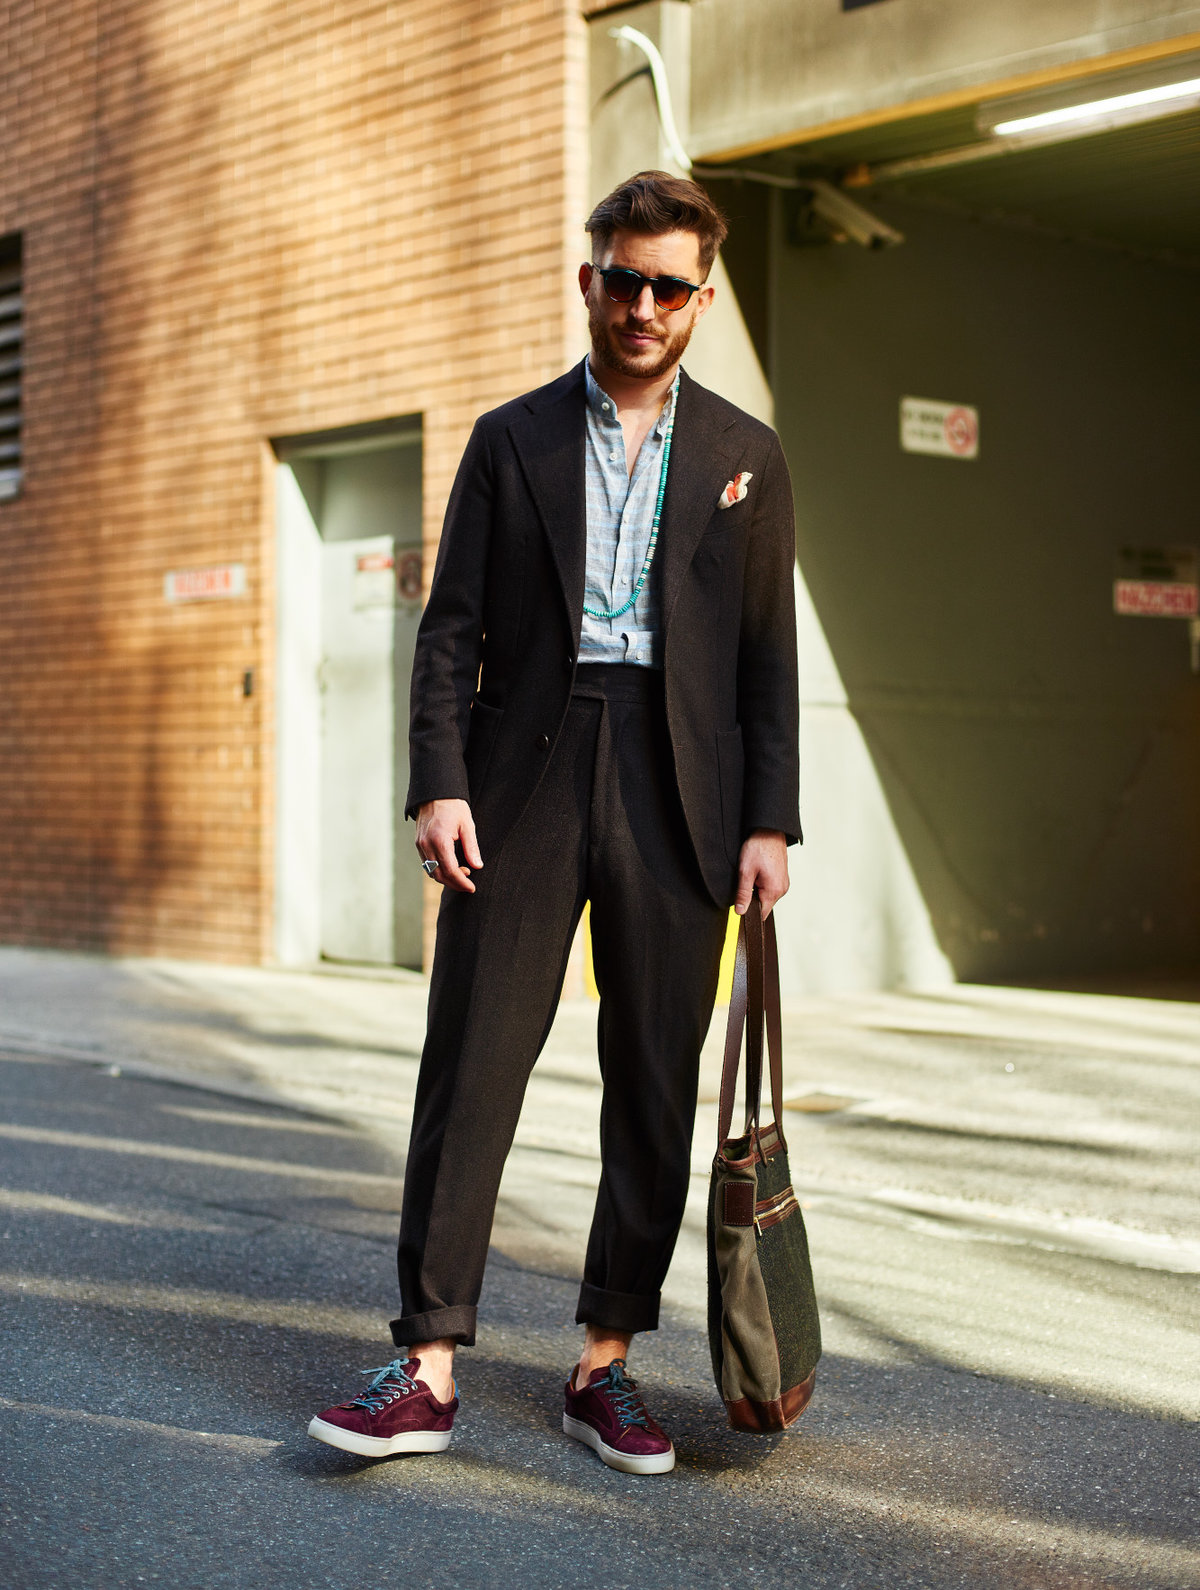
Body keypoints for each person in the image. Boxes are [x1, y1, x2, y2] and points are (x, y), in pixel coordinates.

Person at [308, 171, 800, 1476]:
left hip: (681, 790)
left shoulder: (747, 457)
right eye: (623, 279)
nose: (642, 306)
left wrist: (770, 820)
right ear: (590, 279)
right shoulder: (509, 439)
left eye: (669, 288)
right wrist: (438, 780)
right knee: (470, 1063)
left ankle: (603, 1363)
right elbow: (450, 630)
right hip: (519, 775)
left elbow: (767, 658)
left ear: (701, 300)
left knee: (653, 1078)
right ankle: (426, 1366)